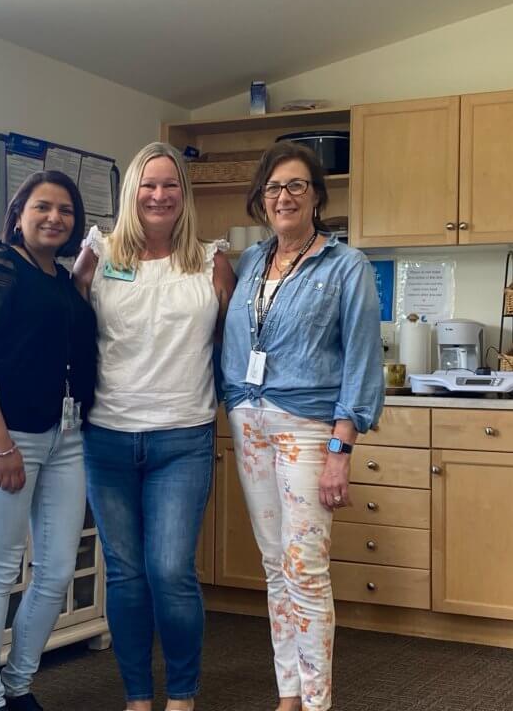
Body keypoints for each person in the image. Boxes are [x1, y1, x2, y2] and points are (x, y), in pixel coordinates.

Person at [220, 142, 384, 711]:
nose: (283, 197)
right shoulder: (249, 264)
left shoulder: (346, 266)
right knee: (274, 566)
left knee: (305, 567)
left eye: (295, 186)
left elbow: (363, 361)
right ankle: (287, 693)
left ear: (316, 196)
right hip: (249, 420)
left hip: (308, 427)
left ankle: (316, 702)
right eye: (273, 188)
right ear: (261, 201)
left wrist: (342, 447)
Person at [73, 141, 235, 711]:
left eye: (170, 185)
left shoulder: (211, 260)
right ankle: (138, 697)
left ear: (183, 196)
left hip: (182, 436)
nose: (159, 195)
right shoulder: (98, 253)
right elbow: (69, 334)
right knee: (125, 575)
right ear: (131, 192)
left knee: (170, 571)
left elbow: (232, 347)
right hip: (108, 437)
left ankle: (183, 694)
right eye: (148, 184)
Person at [0, 170, 97, 711]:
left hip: (66, 435)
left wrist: (80, 282)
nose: (54, 218)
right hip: (9, 434)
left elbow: (66, 338)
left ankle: (18, 683)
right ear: (19, 212)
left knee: (58, 568)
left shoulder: (58, 279)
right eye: (43, 207)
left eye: (65, 211)